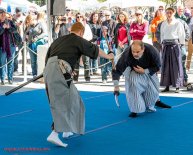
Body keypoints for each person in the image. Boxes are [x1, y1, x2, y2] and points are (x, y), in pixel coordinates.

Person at [44, 22, 114, 147]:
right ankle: (54, 133)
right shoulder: (78, 40)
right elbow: (95, 50)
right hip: (60, 69)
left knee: (74, 99)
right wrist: (109, 56)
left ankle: (67, 130)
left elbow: (48, 58)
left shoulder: (58, 40)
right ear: (81, 32)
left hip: (51, 69)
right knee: (64, 101)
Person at [112, 40, 161, 118]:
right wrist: (116, 86)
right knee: (133, 86)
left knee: (153, 92)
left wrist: (144, 71)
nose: (135, 54)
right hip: (133, 71)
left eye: (138, 52)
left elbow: (158, 66)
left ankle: (150, 106)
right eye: (133, 51)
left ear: (143, 49)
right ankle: (135, 109)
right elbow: (117, 70)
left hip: (148, 71)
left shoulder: (152, 51)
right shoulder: (127, 53)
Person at [160, 7, 185, 93]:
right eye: (167, 12)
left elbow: (181, 35)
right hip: (166, 45)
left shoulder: (178, 23)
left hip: (175, 45)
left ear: (173, 13)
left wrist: (181, 45)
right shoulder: (163, 23)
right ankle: (167, 86)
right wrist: (162, 43)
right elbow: (162, 35)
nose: (169, 14)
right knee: (166, 66)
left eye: (170, 12)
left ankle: (177, 86)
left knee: (176, 66)